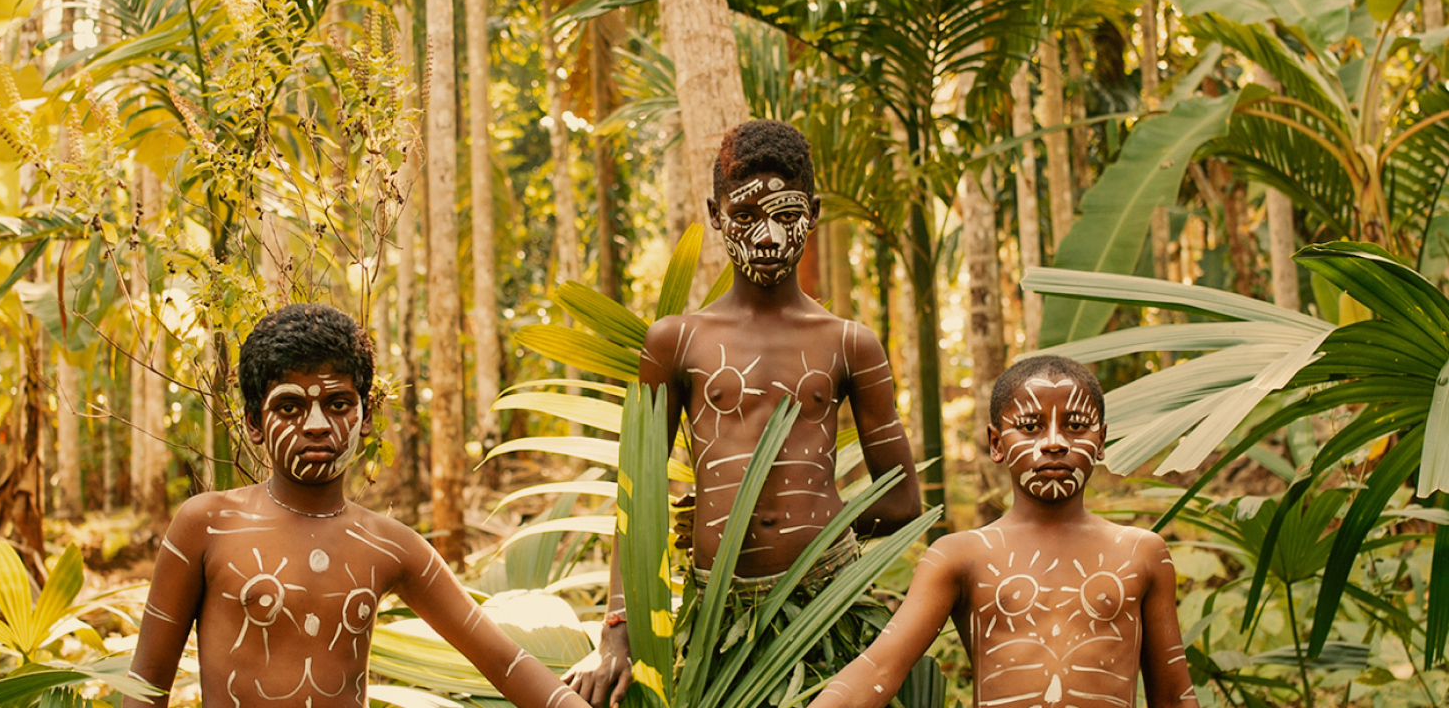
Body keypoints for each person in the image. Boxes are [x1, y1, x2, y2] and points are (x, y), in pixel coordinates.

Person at [564, 120, 923, 708]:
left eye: (785, 216)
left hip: (827, 611)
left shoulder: (850, 344)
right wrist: (617, 632)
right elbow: (639, 498)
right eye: (746, 215)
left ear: (812, 212)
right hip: (717, 623)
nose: (765, 237)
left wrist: (821, 530)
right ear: (714, 212)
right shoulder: (674, 343)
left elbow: (904, 500)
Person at [126, 304, 591, 708]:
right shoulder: (207, 525)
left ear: (365, 417)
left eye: (338, 403)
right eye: (289, 407)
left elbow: (505, 662)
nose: (315, 424)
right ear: (253, 422)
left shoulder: (391, 547)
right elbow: (147, 681)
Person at [806, 355, 1200, 708]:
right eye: (1029, 427)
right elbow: (879, 670)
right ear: (996, 443)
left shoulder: (1141, 552)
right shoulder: (960, 556)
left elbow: (1173, 697)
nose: (1054, 443)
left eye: (1076, 426)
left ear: (1100, 441)